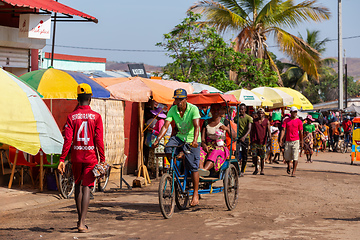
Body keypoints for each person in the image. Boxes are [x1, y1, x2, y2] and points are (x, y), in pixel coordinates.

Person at [58, 83, 105, 233]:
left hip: (76, 157)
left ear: (77, 99)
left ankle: (80, 221)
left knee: (77, 186)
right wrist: (102, 159)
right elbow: (99, 140)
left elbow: (68, 140)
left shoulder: (71, 117)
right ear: (90, 98)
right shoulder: (96, 117)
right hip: (91, 157)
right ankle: (81, 222)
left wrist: (62, 159)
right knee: (87, 188)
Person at [153, 88, 201, 207]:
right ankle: (175, 171)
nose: (178, 102)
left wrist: (195, 140)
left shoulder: (193, 109)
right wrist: (158, 139)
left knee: (193, 166)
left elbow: (197, 126)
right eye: (176, 100)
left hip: (191, 139)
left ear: (186, 99)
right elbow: (166, 125)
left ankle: (195, 193)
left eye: (181, 99)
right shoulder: (173, 109)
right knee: (167, 148)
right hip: (179, 137)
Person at [199, 104, 236, 173]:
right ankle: (200, 170)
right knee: (199, 151)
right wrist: (204, 145)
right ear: (211, 111)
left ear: (220, 111)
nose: (215, 111)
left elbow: (234, 136)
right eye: (213, 109)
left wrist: (227, 129)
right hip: (208, 145)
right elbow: (202, 138)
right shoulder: (206, 122)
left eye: (217, 109)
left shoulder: (224, 121)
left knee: (215, 151)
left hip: (220, 146)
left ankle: (204, 170)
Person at [280, 106, 303, 177]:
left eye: (296, 112)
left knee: (295, 157)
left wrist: (302, 141)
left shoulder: (299, 121)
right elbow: (283, 130)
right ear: (291, 112)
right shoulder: (286, 120)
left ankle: (294, 171)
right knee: (287, 157)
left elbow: (301, 131)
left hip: (296, 140)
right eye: (294, 112)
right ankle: (289, 165)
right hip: (288, 140)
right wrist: (281, 139)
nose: (295, 113)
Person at [250, 108, 271, 175]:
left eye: (261, 113)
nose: (260, 114)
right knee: (254, 156)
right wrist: (251, 139)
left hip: (263, 141)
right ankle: (256, 168)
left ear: (264, 114)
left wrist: (269, 138)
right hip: (255, 141)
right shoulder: (254, 121)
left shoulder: (266, 121)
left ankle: (262, 170)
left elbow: (269, 130)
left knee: (262, 157)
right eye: (259, 113)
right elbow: (251, 130)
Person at [234, 103, 253, 177]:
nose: (241, 111)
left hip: (245, 139)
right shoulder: (236, 118)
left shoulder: (249, 118)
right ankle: (237, 170)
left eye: (242, 109)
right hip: (238, 139)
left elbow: (249, 128)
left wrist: (244, 137)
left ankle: (242, 170)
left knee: (245, 155)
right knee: (237, 154)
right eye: (240, 109)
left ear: (245, 109)